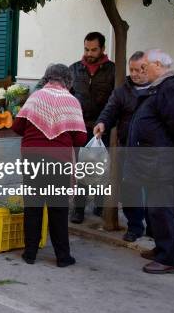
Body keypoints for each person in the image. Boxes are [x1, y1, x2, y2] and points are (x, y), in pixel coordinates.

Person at [124, 49, 174, 274]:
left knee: (162, 208)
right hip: (154, 160)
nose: (142, 70)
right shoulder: (163, 87)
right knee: (155, 209)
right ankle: (161, 249)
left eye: (145, 66)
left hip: (163, 160)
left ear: (158, 64)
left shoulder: (170, 88)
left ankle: (168, 259)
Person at [12, 64, 87, 267]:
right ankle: (63, 257)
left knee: (33, 207)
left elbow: (17, 126)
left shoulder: (35, 97)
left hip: (32, 158)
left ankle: (30, 254)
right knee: (58, 210)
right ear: (68, 81)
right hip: (59, 161)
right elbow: (80, 138)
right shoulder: (72, 101)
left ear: (46, 78)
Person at [94, 51, 150, 242]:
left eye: (139, 69)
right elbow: (110, 110)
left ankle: (154, 226)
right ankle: (135, 226)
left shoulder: (160, 89)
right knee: (130, 188)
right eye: (132, 69)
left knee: (154, 189)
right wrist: (102, 123)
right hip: (129, 147)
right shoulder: (122, 91)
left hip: (153, 149)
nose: (135, 73)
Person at [69, 31, 115, 223]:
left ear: (102, 49)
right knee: (82, 169)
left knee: (102, 168)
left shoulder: (113, 70)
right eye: (86, 49)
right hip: (81, 127)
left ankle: (100, 204)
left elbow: (116, 99)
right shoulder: (74, 69)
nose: (89, 53)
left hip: (104, 127)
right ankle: (79, 209)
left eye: (93, 49)